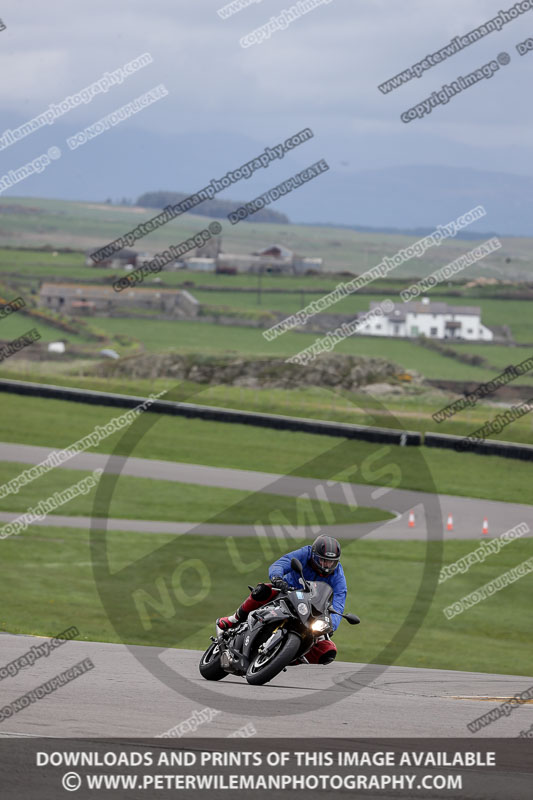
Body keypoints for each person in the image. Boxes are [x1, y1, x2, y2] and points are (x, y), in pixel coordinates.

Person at [216, 535, 347, 665]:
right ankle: (234, 619)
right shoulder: (305, 553)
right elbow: (283, 562)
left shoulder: (338, 577)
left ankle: (291, 657)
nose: (326, 565)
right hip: (287, 593)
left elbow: (338, 604)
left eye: (331, 562)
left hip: (309, 609)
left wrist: (331, 626)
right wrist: (277, 578)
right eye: (322, 560)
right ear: (313, 555)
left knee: (328, 651)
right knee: (262, 590)